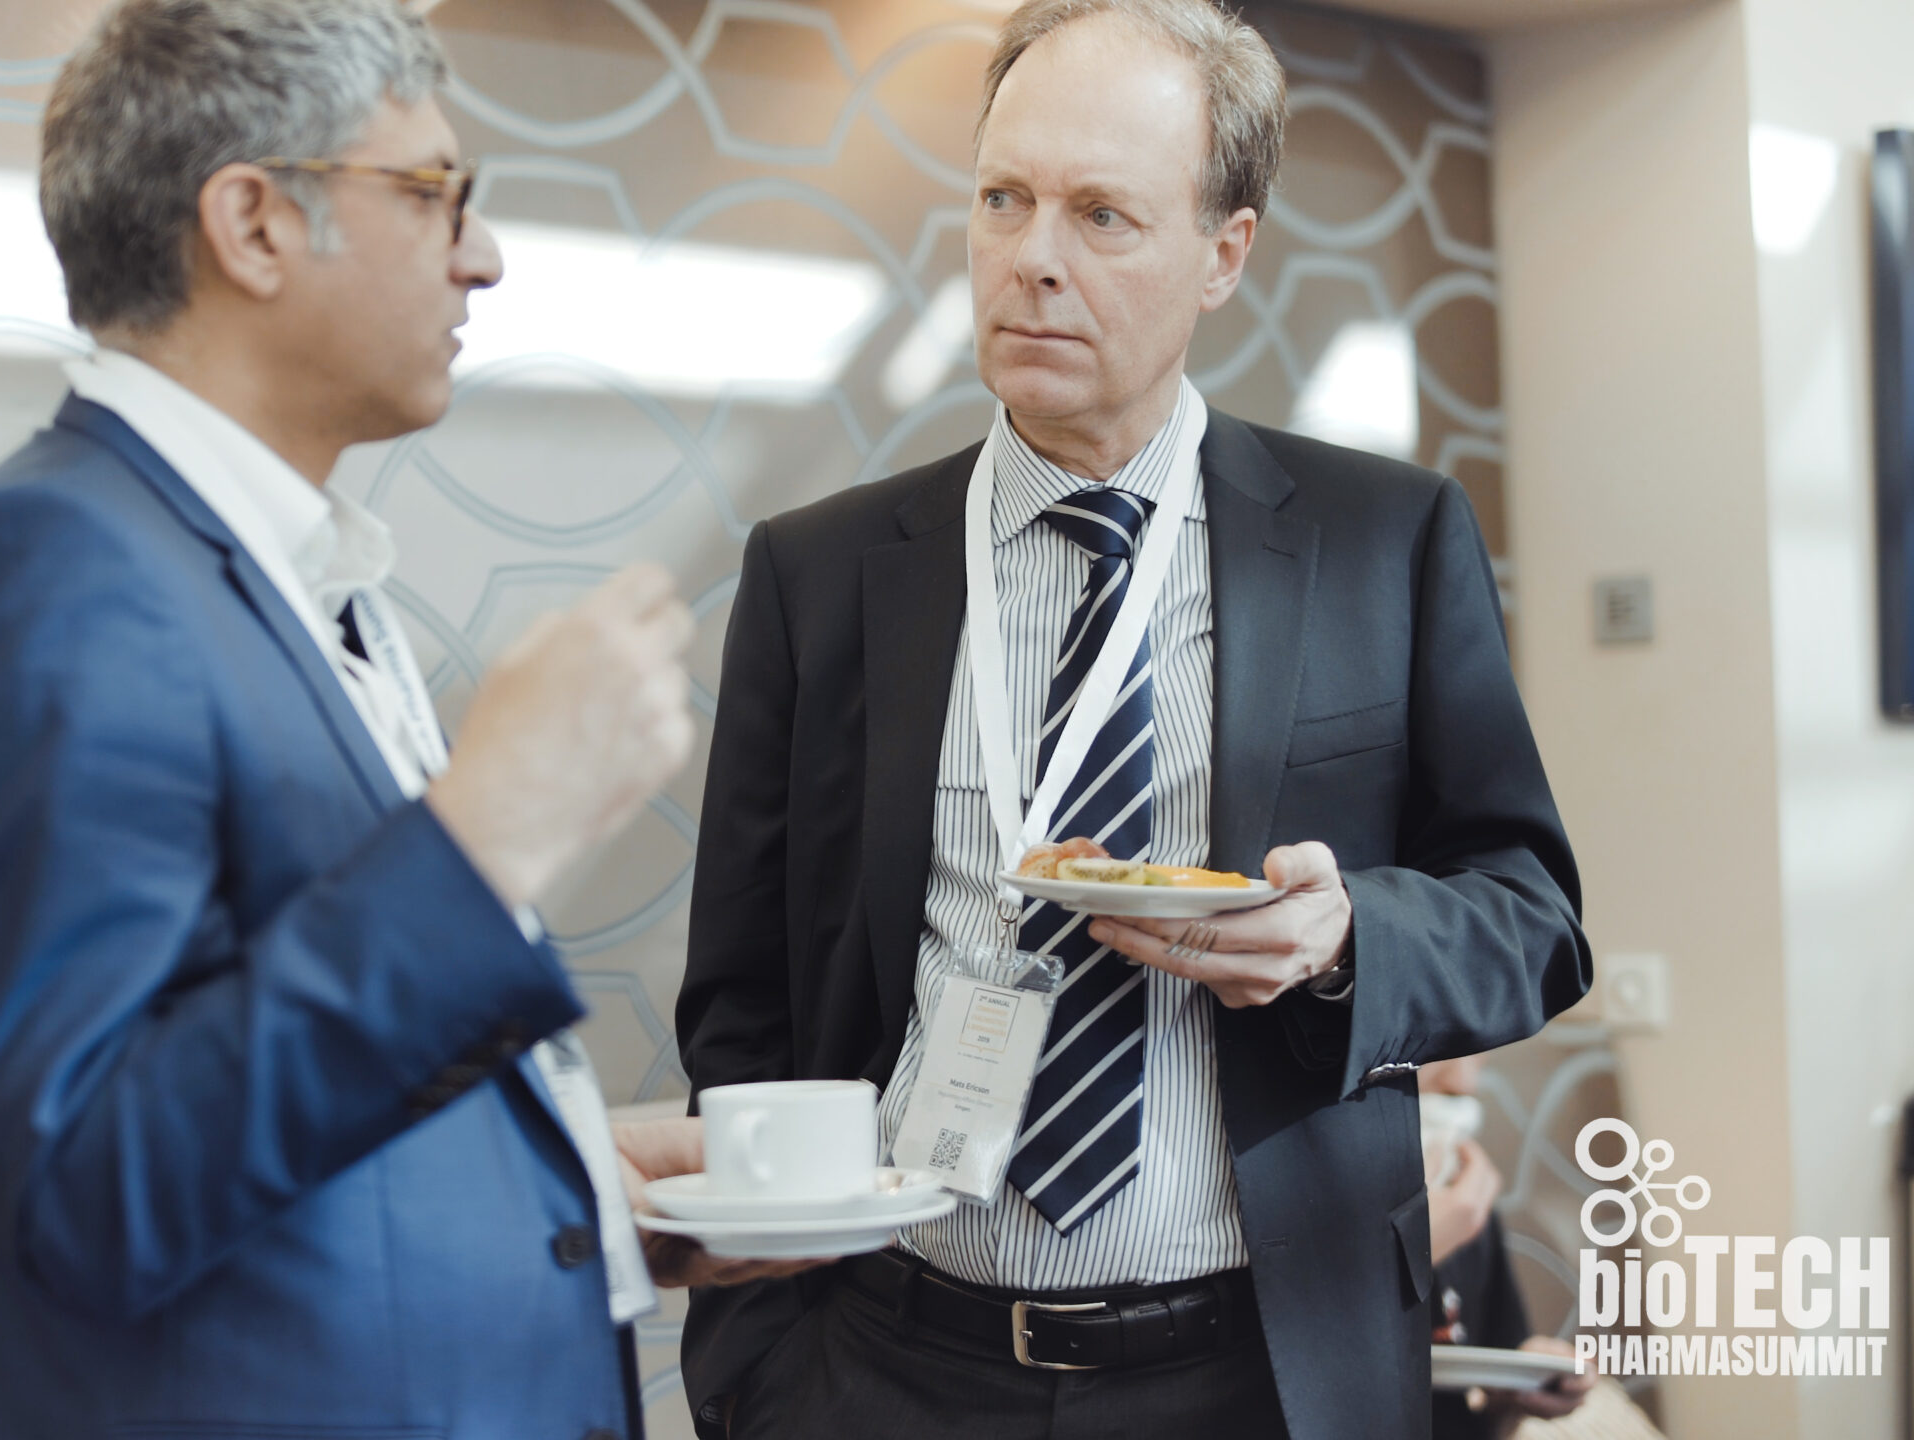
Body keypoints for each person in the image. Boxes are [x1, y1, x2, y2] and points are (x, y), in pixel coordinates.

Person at [0, 4, 790, 1437]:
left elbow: (257, 1093)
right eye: (434, 193)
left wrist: (571, 1187)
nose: (484, 255)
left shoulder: (275, 571)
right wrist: (485, 839)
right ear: (254, 225)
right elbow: (87, 1187)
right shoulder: (48, 576)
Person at [673, 1, 1591, 1436]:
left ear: (1224, 252)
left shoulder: (1383, 540)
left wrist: (1345, 938)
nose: (1032, 256)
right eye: (1004, 199)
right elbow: (742, 1002)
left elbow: (1532, 915)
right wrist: (758, 1371)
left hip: (1265, 1373)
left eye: (1102, 215)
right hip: (888, 1369)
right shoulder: (820, 573)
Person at [1419, 1056, 1596, 1439]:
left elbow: (1487, 1416)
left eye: (1477, 1054)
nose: (1464, 1082)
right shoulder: (1301, 1227)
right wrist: (1410, 1255)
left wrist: (1522, 1395)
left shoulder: (1468, 1209)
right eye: (1437, 1052)